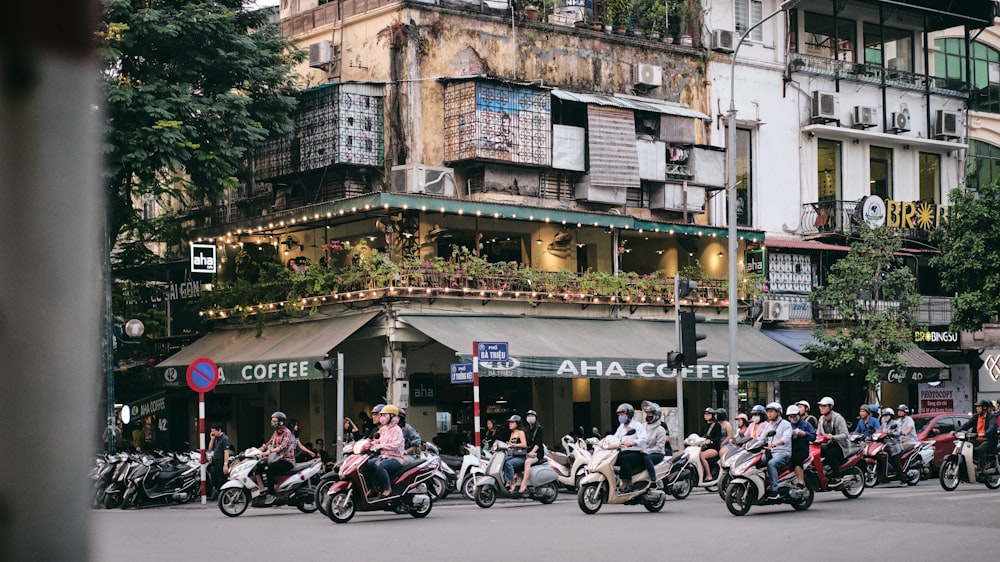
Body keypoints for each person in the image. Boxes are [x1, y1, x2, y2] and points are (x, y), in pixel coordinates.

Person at [365, 404, 406, 498]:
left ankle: (387, 488)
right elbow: (376, 440)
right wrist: (369, 444)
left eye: (385, 415)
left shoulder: (397, 430)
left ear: (392, 416)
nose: (382, 418)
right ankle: (372, 488)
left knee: (380, 466)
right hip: (383, 457)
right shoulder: (383, 429)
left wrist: (381, 446)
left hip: (395, 458)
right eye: (382, 415)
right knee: (365, 465)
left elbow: (395, 445)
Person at [259, 411, 295, 499]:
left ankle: (271, 494)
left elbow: (281, 447)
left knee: (270, 469)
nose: (273, 423)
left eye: (275, 421)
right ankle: (262, 490)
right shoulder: (276, 432)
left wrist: (268, 452)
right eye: (272, 421)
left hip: (287, 461)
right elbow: (268, 443)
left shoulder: (287, 432)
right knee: (259, 466)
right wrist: (258, 450)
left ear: (281, 422)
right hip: (277, 459)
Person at [612, 403, 647, 492]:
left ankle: (628, 483)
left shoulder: (637, 425)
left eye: (622, 414)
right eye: (619, 415)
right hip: (624, 451)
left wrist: (633, 443)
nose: (620, 416)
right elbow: (615, 437)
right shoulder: (621, 427)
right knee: (613, 458)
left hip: (637, 453)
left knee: (624, 459)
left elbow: (643, 438)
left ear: (629, 414)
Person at [956, 399, 998, 471]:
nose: (976, 408)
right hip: (977, 439)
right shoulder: (976, 416)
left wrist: (985, 433)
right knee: (966, 446)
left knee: (980, 449)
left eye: (978, 407)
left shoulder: (991, 417)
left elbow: (992, 426)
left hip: (988, 440)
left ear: (984, 408)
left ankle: (982, 469)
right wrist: (956, 431)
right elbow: (967, 425)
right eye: (976, 407)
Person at [816, 396, 849, 484]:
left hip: (840, 446)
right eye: (820, 406)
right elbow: (818, 433)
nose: (821, 408)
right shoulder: (821, 419)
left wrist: (833, 437)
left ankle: (837, 477)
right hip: (827, 444)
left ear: (830, 407)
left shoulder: (838, 418)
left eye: (824, 406)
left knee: (830, 454)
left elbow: (845, 434)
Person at [763, 402, 792, 499]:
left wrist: (776, 443)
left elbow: (787, 438)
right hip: (770, 452)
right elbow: (761, 438)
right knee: (757, 461)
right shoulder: (768, 425)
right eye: (768, 412)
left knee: (771, 464)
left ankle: (774, 490)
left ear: (778, 413)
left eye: (772, 411)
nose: (769, 414)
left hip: (783, 453)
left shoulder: (786, 424)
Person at [786, 405, 815, 488]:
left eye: (795, 416)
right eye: (791, 417)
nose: (793, 418)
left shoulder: (806, 425)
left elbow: (813, 437)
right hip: (789, 449)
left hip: (802, 449)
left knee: (796, 458)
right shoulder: (787, 425)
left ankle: (800, 481)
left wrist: (804, 434)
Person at [641, 401, 667, 488]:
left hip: (657, 453)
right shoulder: (642, 426)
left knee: (646, 457)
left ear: (656, 415)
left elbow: (659, 447)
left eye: (650, 414)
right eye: (647, 413)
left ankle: (653, 480)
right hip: (643, 451)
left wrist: (647, 451)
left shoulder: (660, 430)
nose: (648, 415)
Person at [519, 409, 545, 494]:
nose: (530, 418)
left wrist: (532, 452)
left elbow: (538, 444)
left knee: (527, 462)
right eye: (528, 416)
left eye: (532, 416)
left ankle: (524, 483)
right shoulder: (526, 429)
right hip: (527, 451)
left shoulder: (539, 429)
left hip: (537, 453)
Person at [502, 415, 528, 493]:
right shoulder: (512, 433)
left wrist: (513, 445)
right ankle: (506, 480)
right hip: (513, 455)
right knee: (502, 461)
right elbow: (510, 445)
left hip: (520, 456)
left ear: (517, 423)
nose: (510, 424)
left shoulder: (520, 432)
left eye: (512, 422)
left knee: (509, 464)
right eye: (510, 422)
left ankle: (512, 483)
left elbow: (524, 444)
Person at [208, 422, 231, 499]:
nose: (213, 433)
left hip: (221, 461)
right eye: (212, 431)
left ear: (219, 430)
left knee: (222, 480)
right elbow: (210, 448)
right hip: (215, 461)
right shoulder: (216, 439)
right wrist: (212, 439)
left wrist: (225, 464)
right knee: (214, 479)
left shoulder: (225, 439)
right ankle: (222, 495)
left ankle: (226, 497)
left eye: (214, 431)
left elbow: (226, 452)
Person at [699, 408, 722, 481]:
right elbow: (699, 435)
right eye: (705, 414)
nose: (706, 416)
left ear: (712, 415)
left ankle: (709, 475)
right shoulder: (704, 425)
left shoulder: (717, 425)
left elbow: (718, 438)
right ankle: (701, 475)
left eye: (708, 414)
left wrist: (710, 441)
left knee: (702, 456)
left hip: (714, 448)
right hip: (704, 447)